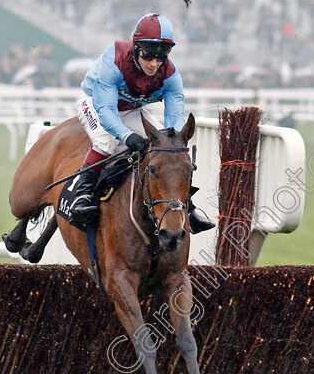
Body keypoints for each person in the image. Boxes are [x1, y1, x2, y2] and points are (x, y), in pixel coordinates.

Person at [68, 13, 215, 233]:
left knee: (165, 148)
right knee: (106, 141)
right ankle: (81, 196)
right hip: (95, 102)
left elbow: (174, 121)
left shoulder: (170, 75)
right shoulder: (115, 59)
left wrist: (172, 141)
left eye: (161, 56)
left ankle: (188, 206)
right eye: (148, 55)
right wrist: (128, 136)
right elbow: (107, 112)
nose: (154, 63)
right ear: (137, 48)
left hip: (131, 109)